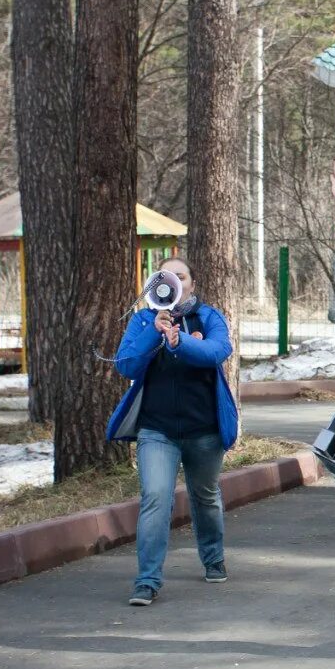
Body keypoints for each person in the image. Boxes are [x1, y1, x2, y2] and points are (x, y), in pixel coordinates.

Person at [108, 257, 237, 607]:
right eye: (166, 277)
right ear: (155, 285)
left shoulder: (208, 317)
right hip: (157, 430)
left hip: (203, 429)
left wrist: (180, 342)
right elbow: (126, 364)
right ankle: (147, 580)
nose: (175, 282)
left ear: (191, 284)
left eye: (181, 276)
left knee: (205, 496)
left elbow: (218, 350)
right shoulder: (143, 320)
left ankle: (213, 558)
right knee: (155, 498)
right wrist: (156, 331)